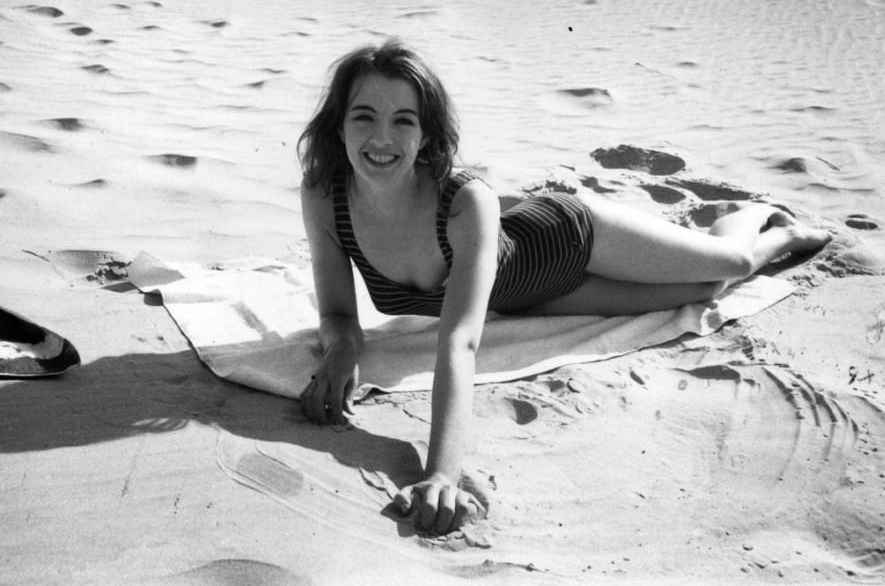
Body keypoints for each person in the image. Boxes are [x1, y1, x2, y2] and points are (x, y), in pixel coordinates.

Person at [297, 39, 831, 536]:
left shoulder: (463, 202)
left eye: (403, 121)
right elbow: (339, 313)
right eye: (363, 116)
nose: (381, 138)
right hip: (532, 301)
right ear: (337, 126)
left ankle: (769, 223)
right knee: (700, 296)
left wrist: (441, 475)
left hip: (569, 239)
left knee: (726, 269)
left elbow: (459, 343)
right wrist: (342, 347)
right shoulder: (326, 196)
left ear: (427, 136)